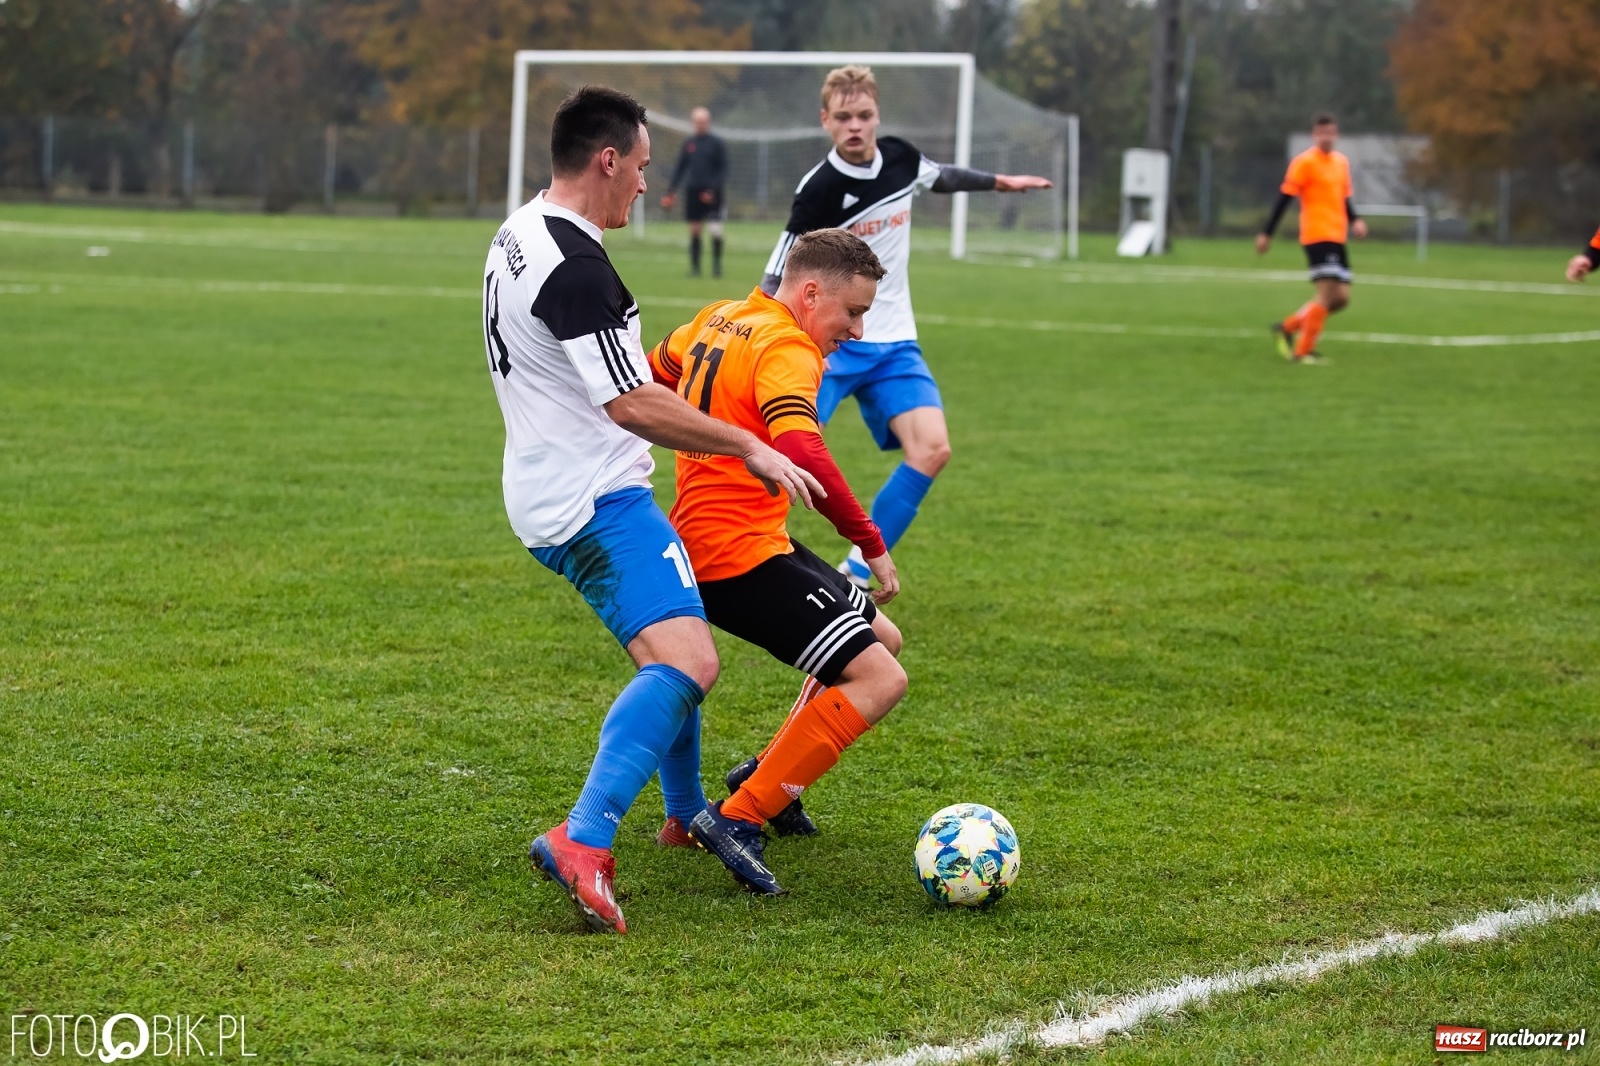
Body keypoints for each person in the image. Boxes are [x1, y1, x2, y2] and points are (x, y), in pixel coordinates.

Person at [484, 86, 822, 935]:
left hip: (551, 478)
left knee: (677, 635)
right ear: (606, 160)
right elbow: (629, 402)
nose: (644, 183)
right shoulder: (575, 265)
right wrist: (745, 443)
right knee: (687, 662)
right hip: (592, 494)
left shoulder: (521, 230)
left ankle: (681, 812)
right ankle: (583, 838)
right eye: (638, 166)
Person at [647, 230, 906, 896]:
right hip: (733, 557)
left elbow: (649, 377)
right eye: (851, 312)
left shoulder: (720, 316)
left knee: (883, 641)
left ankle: (768, 777)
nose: (856, 329)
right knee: (881, 681)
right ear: (810, 291)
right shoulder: (789, 346)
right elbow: (807, 453)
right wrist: (871, 543)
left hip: (745, 539)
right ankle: (739, 817)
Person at [760, 65, 1053, 590]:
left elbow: (941, 176)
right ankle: (736, 558)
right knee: (776, 458)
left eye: (864, 115)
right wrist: (756, 329)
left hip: (894, 343)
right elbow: (779, 269)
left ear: (877, 117)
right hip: (829, 346)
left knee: (933, 450)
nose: (856, 126)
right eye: (844, 117)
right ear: (826, 121)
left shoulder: (899, 157)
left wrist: (999, 183)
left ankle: (854, 571)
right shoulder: (820, 188)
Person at [1257, 113, 1369, 364]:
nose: (1326, 137)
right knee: (1327, 294)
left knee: (1341, 299)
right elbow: (1284, 198)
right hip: (1316, 234)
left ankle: (1287, 327)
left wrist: (1356, 220)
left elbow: (1344, 197)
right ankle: (1303, 350)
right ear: (1314, 135)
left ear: (1336, 134)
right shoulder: (1304, 163)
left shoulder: (1341, 163)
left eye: (1331, 133)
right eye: (1322, 133)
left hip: (1337, 235)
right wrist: (1267, 233)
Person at [660, 107, 730, 277]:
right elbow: (680, 167)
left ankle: (716, 268)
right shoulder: (689, 143)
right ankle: (695, 269)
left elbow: (724, 169)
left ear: (708, 122)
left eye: (703, 122)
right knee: (694, 230)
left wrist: (712, 189)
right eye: (697, 122)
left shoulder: (716, 143)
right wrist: (671, 191)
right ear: (693, 123)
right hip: (693, 191)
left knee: (715, 231)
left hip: (713, 193)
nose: (700, 125)